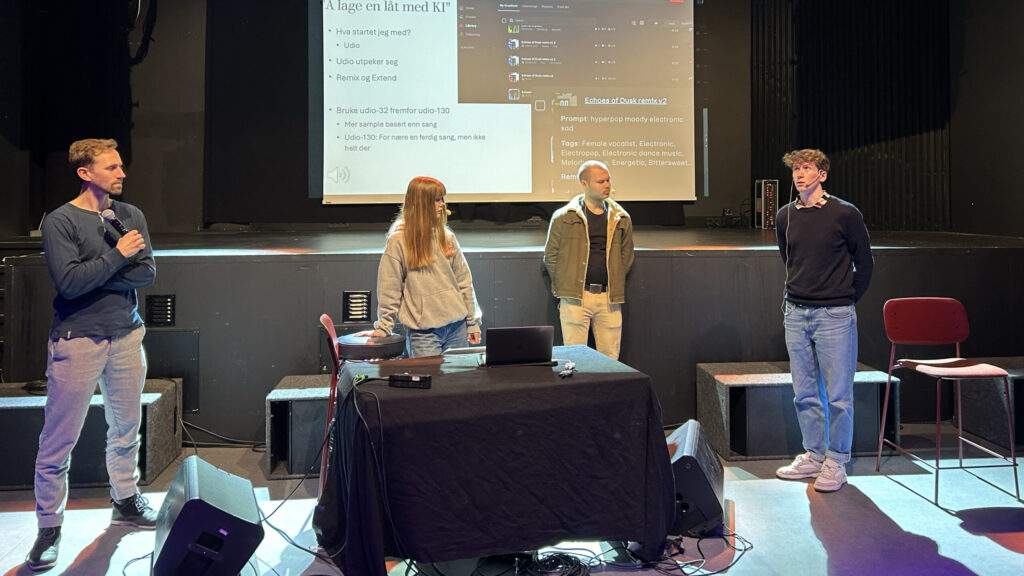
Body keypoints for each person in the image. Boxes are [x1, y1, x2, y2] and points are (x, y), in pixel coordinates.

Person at [27, 138, 158, 571]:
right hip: (78, 340)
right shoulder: (60, 221)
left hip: (126, 336)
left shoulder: (130, 215)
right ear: (85, 173)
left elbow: (147, 273)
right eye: (112, 167)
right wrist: (118, 256)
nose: (122, 174)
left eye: (121, 166)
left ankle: (125, 500)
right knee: (58, 440)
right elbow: (68, 284)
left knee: (126, 429)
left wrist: (96, 273)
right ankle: (49, 527)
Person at [773, 148, 873, 493]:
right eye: (796, 169)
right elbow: (788, 258)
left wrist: (844, 298)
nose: (800, 174)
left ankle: (837, 461)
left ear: (822, 174)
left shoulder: (845, 213)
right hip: (795, 313)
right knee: (803, 392)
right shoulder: (785, 215)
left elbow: (865, 263)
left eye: (806, 168)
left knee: (838, 395)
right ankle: (814, 455)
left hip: (834, 315)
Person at [370, 176, 482, 357]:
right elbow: (389, 288)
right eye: (436, 200)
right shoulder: (398, 241)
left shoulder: (447, 237)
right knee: (429, 376)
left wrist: (472, 322)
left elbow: (464, 281)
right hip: (424, 335)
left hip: (457, 328)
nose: (442, 204)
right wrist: (384, 327)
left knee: (461, 376)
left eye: (442, 199)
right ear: (421, 204)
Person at [543, 160, 634, 360]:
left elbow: (626, 257)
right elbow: (551, 256)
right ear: (584, 184)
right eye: (601, 181)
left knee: (610, 360)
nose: (607, 185)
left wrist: (614, 278)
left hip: (608, 298)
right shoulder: (563, 217)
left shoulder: (621, 218)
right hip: (576, 298)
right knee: (575, 359)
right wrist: (566, 285)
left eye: (608, 180)